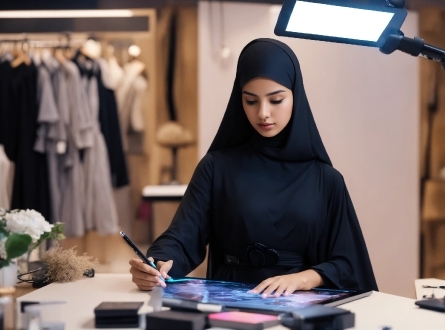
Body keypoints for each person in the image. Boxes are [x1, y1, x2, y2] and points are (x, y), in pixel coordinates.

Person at [129, 38, 378, 297]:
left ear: (296, 97)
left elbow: (348, 263)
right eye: (251, 101)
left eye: (276, 100)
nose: (263, 113)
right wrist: (158, 263)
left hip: (301, 307)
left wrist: (302, 279)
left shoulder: (326, 180)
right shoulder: (216, 168)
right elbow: (182, 237)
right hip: (229, 303)